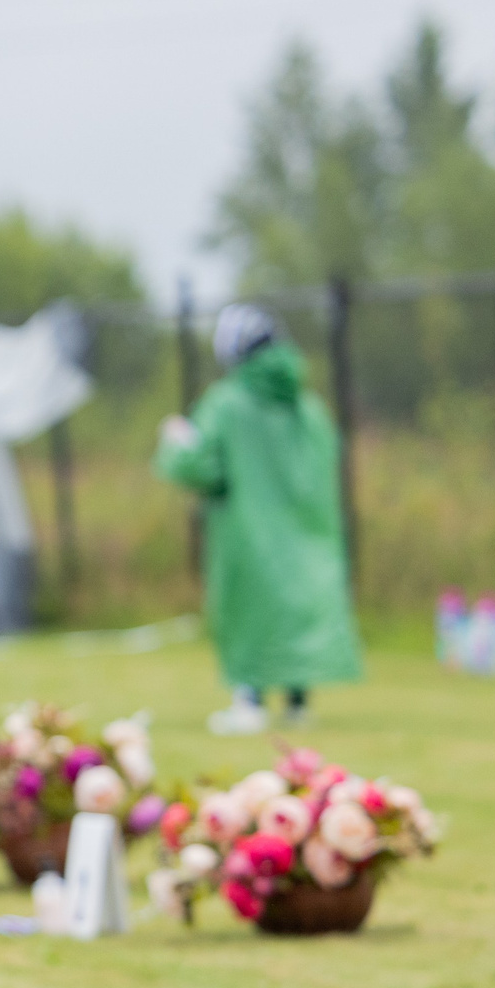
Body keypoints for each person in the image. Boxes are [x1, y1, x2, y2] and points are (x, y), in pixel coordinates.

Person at [157, 302, 362, 734]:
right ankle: (297, 702)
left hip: (246, 532)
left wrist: (176, 442)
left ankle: (248, 699)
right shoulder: (308, 407)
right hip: (307, 531)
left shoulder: (227, 404)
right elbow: (327, 464)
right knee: (295, 608)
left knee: (249, 610)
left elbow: (200, 467)